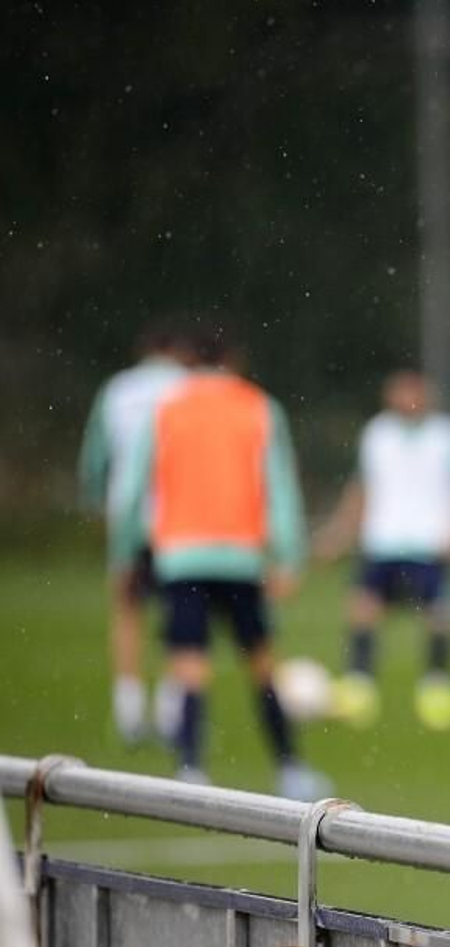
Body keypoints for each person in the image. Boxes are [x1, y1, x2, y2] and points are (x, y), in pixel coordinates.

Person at [114, 324, 329, 799]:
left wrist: (128, 547)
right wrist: (289, 555)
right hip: (241, 557)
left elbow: (133, 487)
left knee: (189, 664)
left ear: (188, 360)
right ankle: (290, 768)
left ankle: (191, 769)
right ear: (233, 360)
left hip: (181, 556)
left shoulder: (165, 408)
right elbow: (280, 488)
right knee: (263, 664)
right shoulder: (258, 406)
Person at [314, 370, 450, 730]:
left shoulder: (448, 436)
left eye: (413, 393)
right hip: (383, 541)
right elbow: (360, 488)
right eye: (399, 393)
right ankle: (360, 687)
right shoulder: (377, 434)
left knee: (439, 615)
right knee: (363, 609)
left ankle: (436, 688)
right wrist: (339, 533)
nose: (406, 400)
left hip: (430, 542)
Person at [78, 321, 199, 743]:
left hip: (127, 514)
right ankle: (170, 713)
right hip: (178, 519)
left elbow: (95, 455)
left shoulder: (117, 389)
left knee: (127, 608)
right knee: (177, 615)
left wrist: (96, 502)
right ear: (180, 351)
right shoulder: (190, 387)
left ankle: (128, 709)